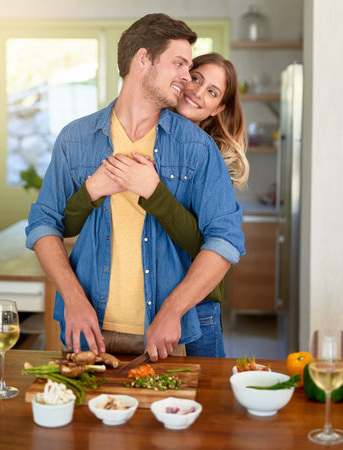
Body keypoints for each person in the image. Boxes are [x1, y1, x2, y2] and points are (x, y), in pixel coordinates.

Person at [25, 13, 245, 361]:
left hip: (169, 333)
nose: (187, 79)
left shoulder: (198, 148)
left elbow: (224, 240)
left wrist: (172, 311)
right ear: (143, 59)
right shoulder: (76, 139)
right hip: (91, 328)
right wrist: (73, 298)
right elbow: (43, 224)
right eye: (179, 64)